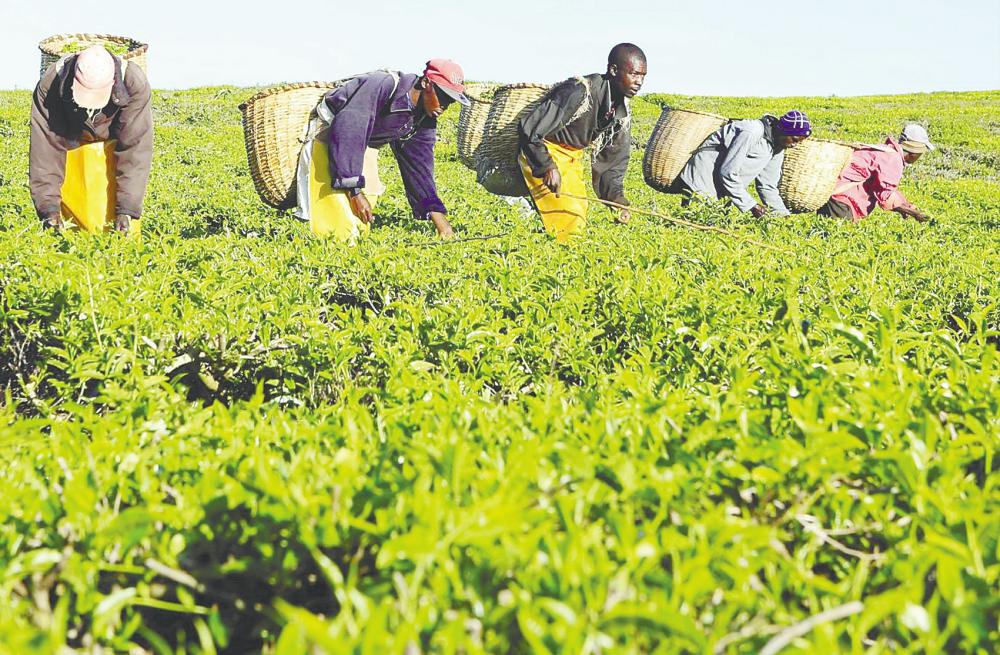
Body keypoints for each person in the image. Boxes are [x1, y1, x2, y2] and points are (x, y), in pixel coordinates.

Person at [296, 60, 469, 241]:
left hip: (362, 148)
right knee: (334, 221)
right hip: (329, 139)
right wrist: (354, 191)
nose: (444, 106)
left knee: (364, 208)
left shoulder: (422, 118)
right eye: (442, 96)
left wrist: (443, 226)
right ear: (426, 83)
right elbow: (349, 131)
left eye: (450, 101)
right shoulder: (382, 85)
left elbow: (420, 170)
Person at [517, 43, 647, 243]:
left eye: (643, 76)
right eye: (634, 74)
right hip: (543, 153)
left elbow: (612, 162)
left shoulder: (620, 113)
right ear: (613, 70)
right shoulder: (578, 92)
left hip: (571, 159)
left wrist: (617, 200)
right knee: (568, 217)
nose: (639, 82)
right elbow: (530, 129)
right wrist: (547, 167)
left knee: (579, 213)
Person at [30, 45, 153, 235]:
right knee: (71, 233)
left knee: (121, 234)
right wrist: (48, 209)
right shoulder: (51, 84)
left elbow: (134, 149)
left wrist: (127, 210)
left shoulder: (133, 81)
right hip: (71, 156)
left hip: (111, 158)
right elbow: (45, 149)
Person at [677, 110, 811, 217]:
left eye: (799, 142)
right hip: (702, 180)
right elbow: (727, 172)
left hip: (723, 188)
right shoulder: (752, 132)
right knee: (695, 221)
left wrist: (783, 215)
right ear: (784, 131)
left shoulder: (779, 147)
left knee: (716, 223)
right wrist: (751, 205)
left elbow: (767, 186)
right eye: (794, 139)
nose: (794, 145)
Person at [817, 124, 933, 222]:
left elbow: (882, 186)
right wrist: (913, 213)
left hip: (830, 196)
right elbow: (885, 195)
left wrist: (906, 205)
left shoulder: (884, 151)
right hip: (842, 203)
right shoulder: (893, 159)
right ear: (914, 152)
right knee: (838, 239)